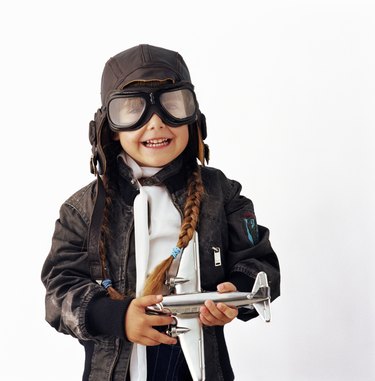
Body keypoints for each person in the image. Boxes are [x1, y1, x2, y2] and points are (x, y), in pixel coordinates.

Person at [41, 44, 280, 381]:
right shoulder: (82, 210)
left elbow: (261, 263)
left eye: (171, 105)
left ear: (193, 117)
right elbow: (57, 292)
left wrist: (234, 292)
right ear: (109, 126)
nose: (155, 124)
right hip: (117, 368)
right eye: (133, 110)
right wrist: (116, 316)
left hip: (196, 365)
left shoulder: (221, 194)